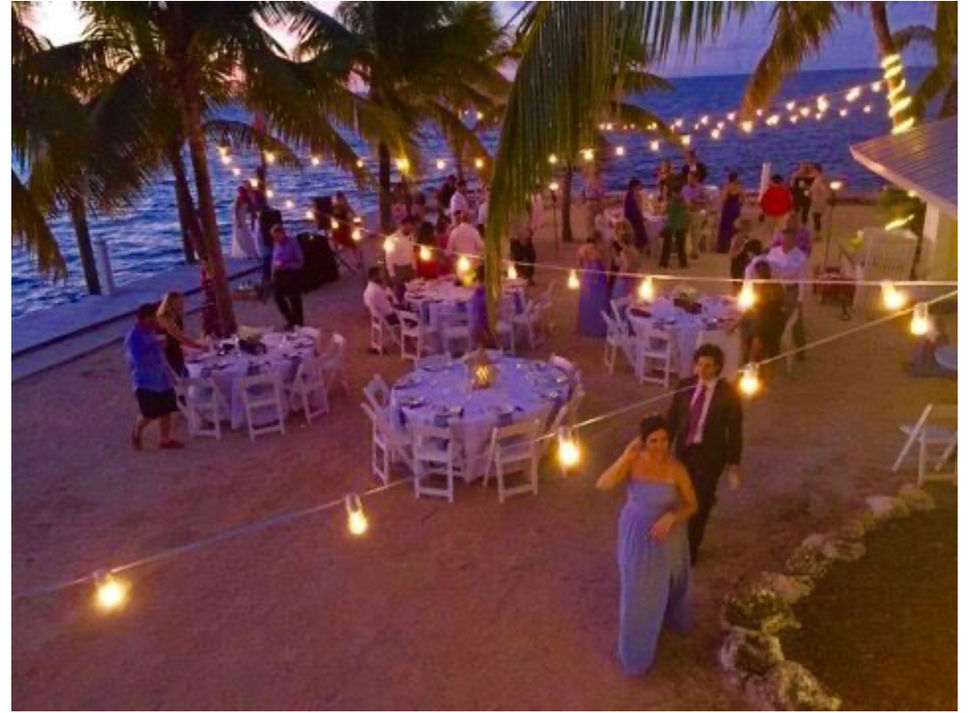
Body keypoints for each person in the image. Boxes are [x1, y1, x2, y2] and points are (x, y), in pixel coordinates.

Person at [596, 415, 696, 676]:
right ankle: (635, 653)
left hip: (667, 535)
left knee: (669, 580)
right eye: (653, 440)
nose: (660, 446)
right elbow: (603, 483)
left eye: (664, 440)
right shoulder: (633, 462)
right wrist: (624, 457)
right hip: (635, 531)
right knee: (636, 588)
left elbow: (692, 504)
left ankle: (671, 615)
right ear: (643, 441)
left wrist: (672, 516)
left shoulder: (677, 469)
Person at [666, 344, 743, 564]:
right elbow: (672, 419)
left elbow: (735, 431)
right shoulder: (685, 387)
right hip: (685, 451)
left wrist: (734, 464)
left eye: (707, 366)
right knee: (680, 497)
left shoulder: (728, 395)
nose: (702, 370)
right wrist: (662, 450)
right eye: (699, 364)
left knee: (698, 503)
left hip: (710, 455)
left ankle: (690, 550)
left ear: (717, 368)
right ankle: (676, 540)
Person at [125, 302, 183, 451]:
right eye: (152, 318)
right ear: (143, 318)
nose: (155, 321)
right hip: (146, 381)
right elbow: (137, 358)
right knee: (149, 413)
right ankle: (136, 432)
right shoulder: (134, 336)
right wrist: (155, 345)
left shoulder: (151, 331)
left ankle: (165, 439)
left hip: (162, 377)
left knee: (167, 409)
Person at [156, 292, 205, 377]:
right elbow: (178, 336)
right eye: (178, 303)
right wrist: (199, 345)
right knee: (182, 377)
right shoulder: (165, 317)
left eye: (182, 302)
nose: (181, 305)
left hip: (177, 349)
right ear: (170, 304)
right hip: (168, 353)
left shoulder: (176, 316)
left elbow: (181, 335)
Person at [747, 260, 787, 362]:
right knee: (753, 329)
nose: (758, 274)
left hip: (771, 321)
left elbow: (761, 305)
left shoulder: (766, 285)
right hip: (775, 319)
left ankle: (756, 358)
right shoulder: (774, 283)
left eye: (759, 272)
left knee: (754, 335)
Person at [270, 223, 305, 329]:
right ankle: (290, 320)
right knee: (278, 298)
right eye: (274, 237)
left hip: (290, 273)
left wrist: (286, 265)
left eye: (278, 236)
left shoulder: (292, 243)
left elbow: (300, 262)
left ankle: (299, 322)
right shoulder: (276, 244)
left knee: (294, 298)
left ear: (283, 233)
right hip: (278, 274)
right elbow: (274, 260)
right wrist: (273, 273)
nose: (276, 238)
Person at [577, 232, 609, 338]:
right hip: (598, 280)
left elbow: (580, 264)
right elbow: (602, 266)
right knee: (597, 302)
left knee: (587, 301)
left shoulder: (582, 249)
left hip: (586, 277)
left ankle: (587, 327)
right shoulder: (598, 252)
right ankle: (597, 329)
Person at [385, 215, 417, 300]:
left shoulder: (411, 236)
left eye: (412, 228)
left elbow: (412, 253)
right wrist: (392, 274)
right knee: (399, 293)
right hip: (398, 269)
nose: (410, 230)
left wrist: (414, 267)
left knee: (413, 292)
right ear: (403, 225)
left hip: (409, 268)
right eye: (409, 228)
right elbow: (389, 258)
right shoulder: (391, 239)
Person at [659, 184, 689, 269]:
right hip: (678, 224)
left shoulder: (673, 202)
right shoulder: (682, 201)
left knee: (669, 245)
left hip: (673, 225)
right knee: (679, 246)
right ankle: (682, 263)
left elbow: (664, 212)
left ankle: (664, 263)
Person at [681, 172, 708, 257]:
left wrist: (697, 200)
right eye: (688, 178)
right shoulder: (684, 188)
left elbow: (706, 200)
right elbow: (681, 199)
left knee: (696, 233)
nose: (689, 180)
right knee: (687, 233)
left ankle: (695, 251)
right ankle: (687, 251)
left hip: (696, 212)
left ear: (695, 179)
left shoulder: (700, 188)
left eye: (691, 178)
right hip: (686, 212)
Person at [715, 172, 744, 253]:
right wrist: (739, 205)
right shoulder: (739, 187)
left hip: (727, 209)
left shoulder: (727, 187)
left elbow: (724, 199)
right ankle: (734, 247)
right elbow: (743, 198)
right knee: (734, 228)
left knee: (725, 229)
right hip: (735, 208)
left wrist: (720, 207)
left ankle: (723, 248)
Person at [759, 174, 793, 240]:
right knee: (781, 231)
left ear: (773, 181)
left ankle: (770, 244)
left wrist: (764, 212)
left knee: (769, 231)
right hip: (781, 214)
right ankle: (780, 245)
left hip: (770, 214)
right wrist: (788, 211)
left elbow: (763, 203)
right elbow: (789, 203)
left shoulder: (769, 192)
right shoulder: (785, 192)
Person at [230, 185, 259, 258]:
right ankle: (244, 251)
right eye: (239, 192)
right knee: (239, 234)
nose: (239, 193)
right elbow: (236, 211)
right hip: (238, 218)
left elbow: (250, 209)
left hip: (241, 218)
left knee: (244, 234)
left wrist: (253, 215)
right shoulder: (239, 199)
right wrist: (238, 220)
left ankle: (249, 250)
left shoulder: (246, 199)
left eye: (240, 191)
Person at [510, 208, 537, 284]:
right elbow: (519, 227)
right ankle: (523, 276)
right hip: (518, 238)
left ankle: (527, 276)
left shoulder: (524, 212)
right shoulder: (517, 212)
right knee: (520, 258)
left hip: (523, 237)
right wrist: (523, 238)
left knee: (529, 257)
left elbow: (527, 225)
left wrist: (530, 231)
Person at [610, 235, 641, 301]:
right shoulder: (635, 251)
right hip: (633, 279)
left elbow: (626, 266)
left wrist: (620, 275)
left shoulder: (624, 252)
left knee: (618, 299)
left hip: (624, 279)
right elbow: (638, 265)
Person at [623, 178, 649, 252]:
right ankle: (642, 246)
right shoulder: (634, 194)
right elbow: (638, 207)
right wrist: (641, 217)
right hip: (633, 217)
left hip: (629, 216)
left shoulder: (628, 194)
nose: (641, 187)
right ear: (635, 186)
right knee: (641, 227)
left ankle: (641, 246)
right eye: (639, 185)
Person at [808, 163, 830, 236]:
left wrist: (824, 196)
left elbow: (824, 189)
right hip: (816, 201)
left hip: (818, 202)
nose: (812, 172)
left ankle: (817, 234)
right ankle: (817, 233)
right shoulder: (817, 178)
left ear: (816, 171)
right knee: (816, 218)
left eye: (813, 171)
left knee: (816, 218)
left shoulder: (820, 179)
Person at [790, 162, 814, 227]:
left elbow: (808, 188)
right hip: (798, 194)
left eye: (804, 167)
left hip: (803, 194)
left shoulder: (809, 177)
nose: (803, 169)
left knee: (804, 211)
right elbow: (792, 186)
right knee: (797, 210)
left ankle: (803, 224)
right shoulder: (796, 176)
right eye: (802, 167)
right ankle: (798, 224)